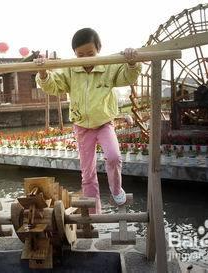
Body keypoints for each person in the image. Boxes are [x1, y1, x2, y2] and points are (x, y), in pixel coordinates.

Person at [35, 28, 141, 214]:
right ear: (75, 54)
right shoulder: (70, 70)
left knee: (114, 157)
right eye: (80, 55)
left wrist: (132, 64)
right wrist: (44, 74)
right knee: (87, 172)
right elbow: (54, 86)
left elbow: (127, 77)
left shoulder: (107, 66)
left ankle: (116, 190)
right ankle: (94, 213)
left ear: (98, 49)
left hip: (104, 123)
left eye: (90, 54)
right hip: (82, 126)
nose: (86, 59)